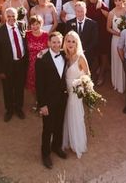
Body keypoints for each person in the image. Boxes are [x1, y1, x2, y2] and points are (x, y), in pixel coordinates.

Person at [36, 32, 68, 169]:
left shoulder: (65, 56)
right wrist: (42, 105)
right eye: (53, 42)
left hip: (62, 98)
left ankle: (56, 146)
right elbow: (39, 85)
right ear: (48, 43)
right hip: (48, 101)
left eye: (58, 42)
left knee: (59, 124)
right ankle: (45, 154)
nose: (56, 45)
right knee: (48, 127)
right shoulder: (42, 59)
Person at [0, 7, 28, 121]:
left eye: (13, 16)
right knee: (7, 88)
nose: (11, 18)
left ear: (17, 16)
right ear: (4, 17)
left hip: (21, 63)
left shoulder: (22, 25)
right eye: (9, 16)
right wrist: (0, 70)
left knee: (19, 87)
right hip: (8, 65)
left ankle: (18, 108)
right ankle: (9, 109)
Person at [62, 31, 90, 158]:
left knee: (75, 117)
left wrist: (78, 85)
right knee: (66, 116)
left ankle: (77, 143)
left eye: (73, 41)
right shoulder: (64, 56)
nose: (70, 43)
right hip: (65, 91)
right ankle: (67, 140)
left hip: (75, 92)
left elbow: (87, 76)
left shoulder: (81, 57)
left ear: (77, 43)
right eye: (68, 41)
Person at [84, 0, 109, 86]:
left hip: (102, 32)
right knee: (96, 53)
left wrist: (100, 7)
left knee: (103, 54)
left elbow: (108, 16)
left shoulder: (101, 4)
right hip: (92, 33)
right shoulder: (87, 5)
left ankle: (102, 75)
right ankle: (97, 70)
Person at [65, 1, 98, 72]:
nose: (80, 13)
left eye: (82, 11)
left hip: (87, 54)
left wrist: (83, 50)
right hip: (72, 54)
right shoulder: (69, 23)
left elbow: (94, 40)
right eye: (78, 11)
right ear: (75, 11)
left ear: (85, 11)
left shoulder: (92, 24)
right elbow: (66, 39)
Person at [107, 0, 126, 93]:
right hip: (116, 39)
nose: (117, 2)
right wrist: (118, 34)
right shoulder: (111, 13)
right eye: (115, 1)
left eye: (119, 0)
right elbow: (108, 28)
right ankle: (118, 84)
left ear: (123, 0)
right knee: (118, 60)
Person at [25, 15, 49, 95]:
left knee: (42, 84)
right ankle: (36, 102)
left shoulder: (46, 35)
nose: (35, 26)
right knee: (32, 86)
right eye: (33, 24)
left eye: (37, 24)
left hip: (42, 64)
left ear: (41, 24)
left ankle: (42, 102)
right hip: (30, 65)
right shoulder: (26, 35)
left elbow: (50, 49)